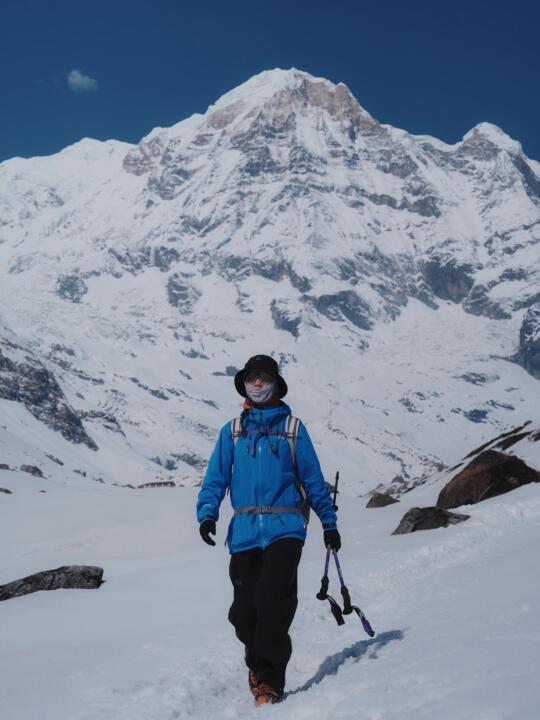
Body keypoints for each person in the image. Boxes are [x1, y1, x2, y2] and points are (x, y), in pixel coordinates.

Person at [196, 354, 341, 705]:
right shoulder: (232, 432)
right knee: (245, 613)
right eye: (252, 378)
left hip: (285, 529)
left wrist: (329, 523)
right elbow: (215, 478)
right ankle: (256, 663)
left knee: (271, 603)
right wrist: (207, 514)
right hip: (244, 532)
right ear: (244, 383)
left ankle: (269, 680)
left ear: (276, 383)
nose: (258, 384)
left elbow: (312, 479)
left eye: (264, 378)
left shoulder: (293, 429)